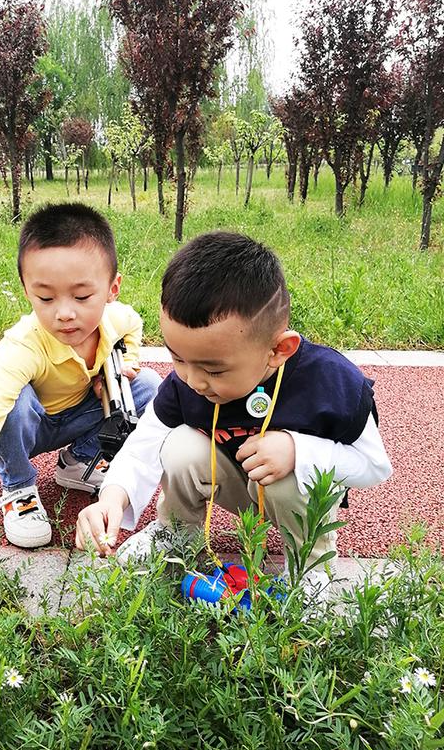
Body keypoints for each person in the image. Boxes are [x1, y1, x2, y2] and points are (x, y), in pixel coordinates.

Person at [75, 231, 392, 576]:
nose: (193, 381)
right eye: (178, 358)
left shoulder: (331, 382)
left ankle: (309, 566)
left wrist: (299, 452)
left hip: (293, 493)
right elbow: (143, 446)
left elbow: (375, 466)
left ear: (278, 350)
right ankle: (176, 536)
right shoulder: (188, 381)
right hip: (235, 482)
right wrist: (112, 498)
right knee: (179, 445)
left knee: (290, 474)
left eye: (214, 370)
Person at [0, 202, 161, 557]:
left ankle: (78, 462)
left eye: (82, 296)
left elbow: (133, 323)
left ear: (112, 288)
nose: (65, 313)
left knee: (148, 385)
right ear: (26, 290)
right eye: (45, 297)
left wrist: (122, 365)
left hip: (80, 416)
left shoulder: (117, 318)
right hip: (32, 427)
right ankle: (18, 487)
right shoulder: (24, 344)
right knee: (12, 402)